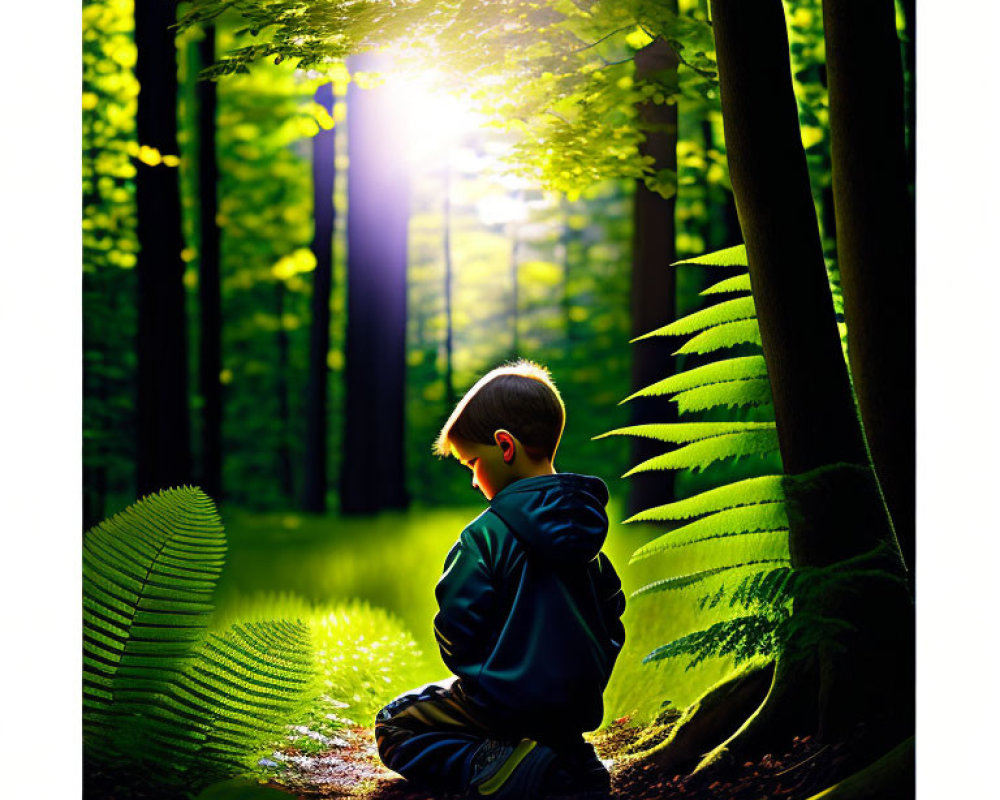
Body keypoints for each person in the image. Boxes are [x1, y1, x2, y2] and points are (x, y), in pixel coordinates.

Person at [374, 360, 626, 799]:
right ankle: (570, 761)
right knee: (555, 731)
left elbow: (456, 623)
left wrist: (481, 678)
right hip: (572, 707)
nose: (473, 479)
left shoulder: (484, 535)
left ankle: (490, 767)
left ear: (505, 447)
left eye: (472, 462)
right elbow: (612, 617)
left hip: (501, 704)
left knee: (394, 723)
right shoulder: (591, 538)